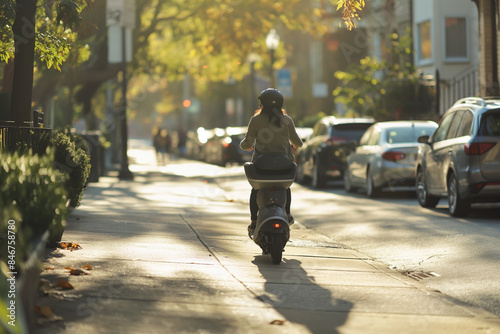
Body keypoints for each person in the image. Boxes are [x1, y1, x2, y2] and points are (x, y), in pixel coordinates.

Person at [240, 88, 303, 236]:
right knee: (285, 188)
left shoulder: (256, 120)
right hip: (284, 166)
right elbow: (298, 143)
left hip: (262, 167)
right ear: (280, 104)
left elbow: (246, 144)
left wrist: (247, 145)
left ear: (261, 104)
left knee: (255, 191)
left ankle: (254, 221)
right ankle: (287, 214)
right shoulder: (287, 120)